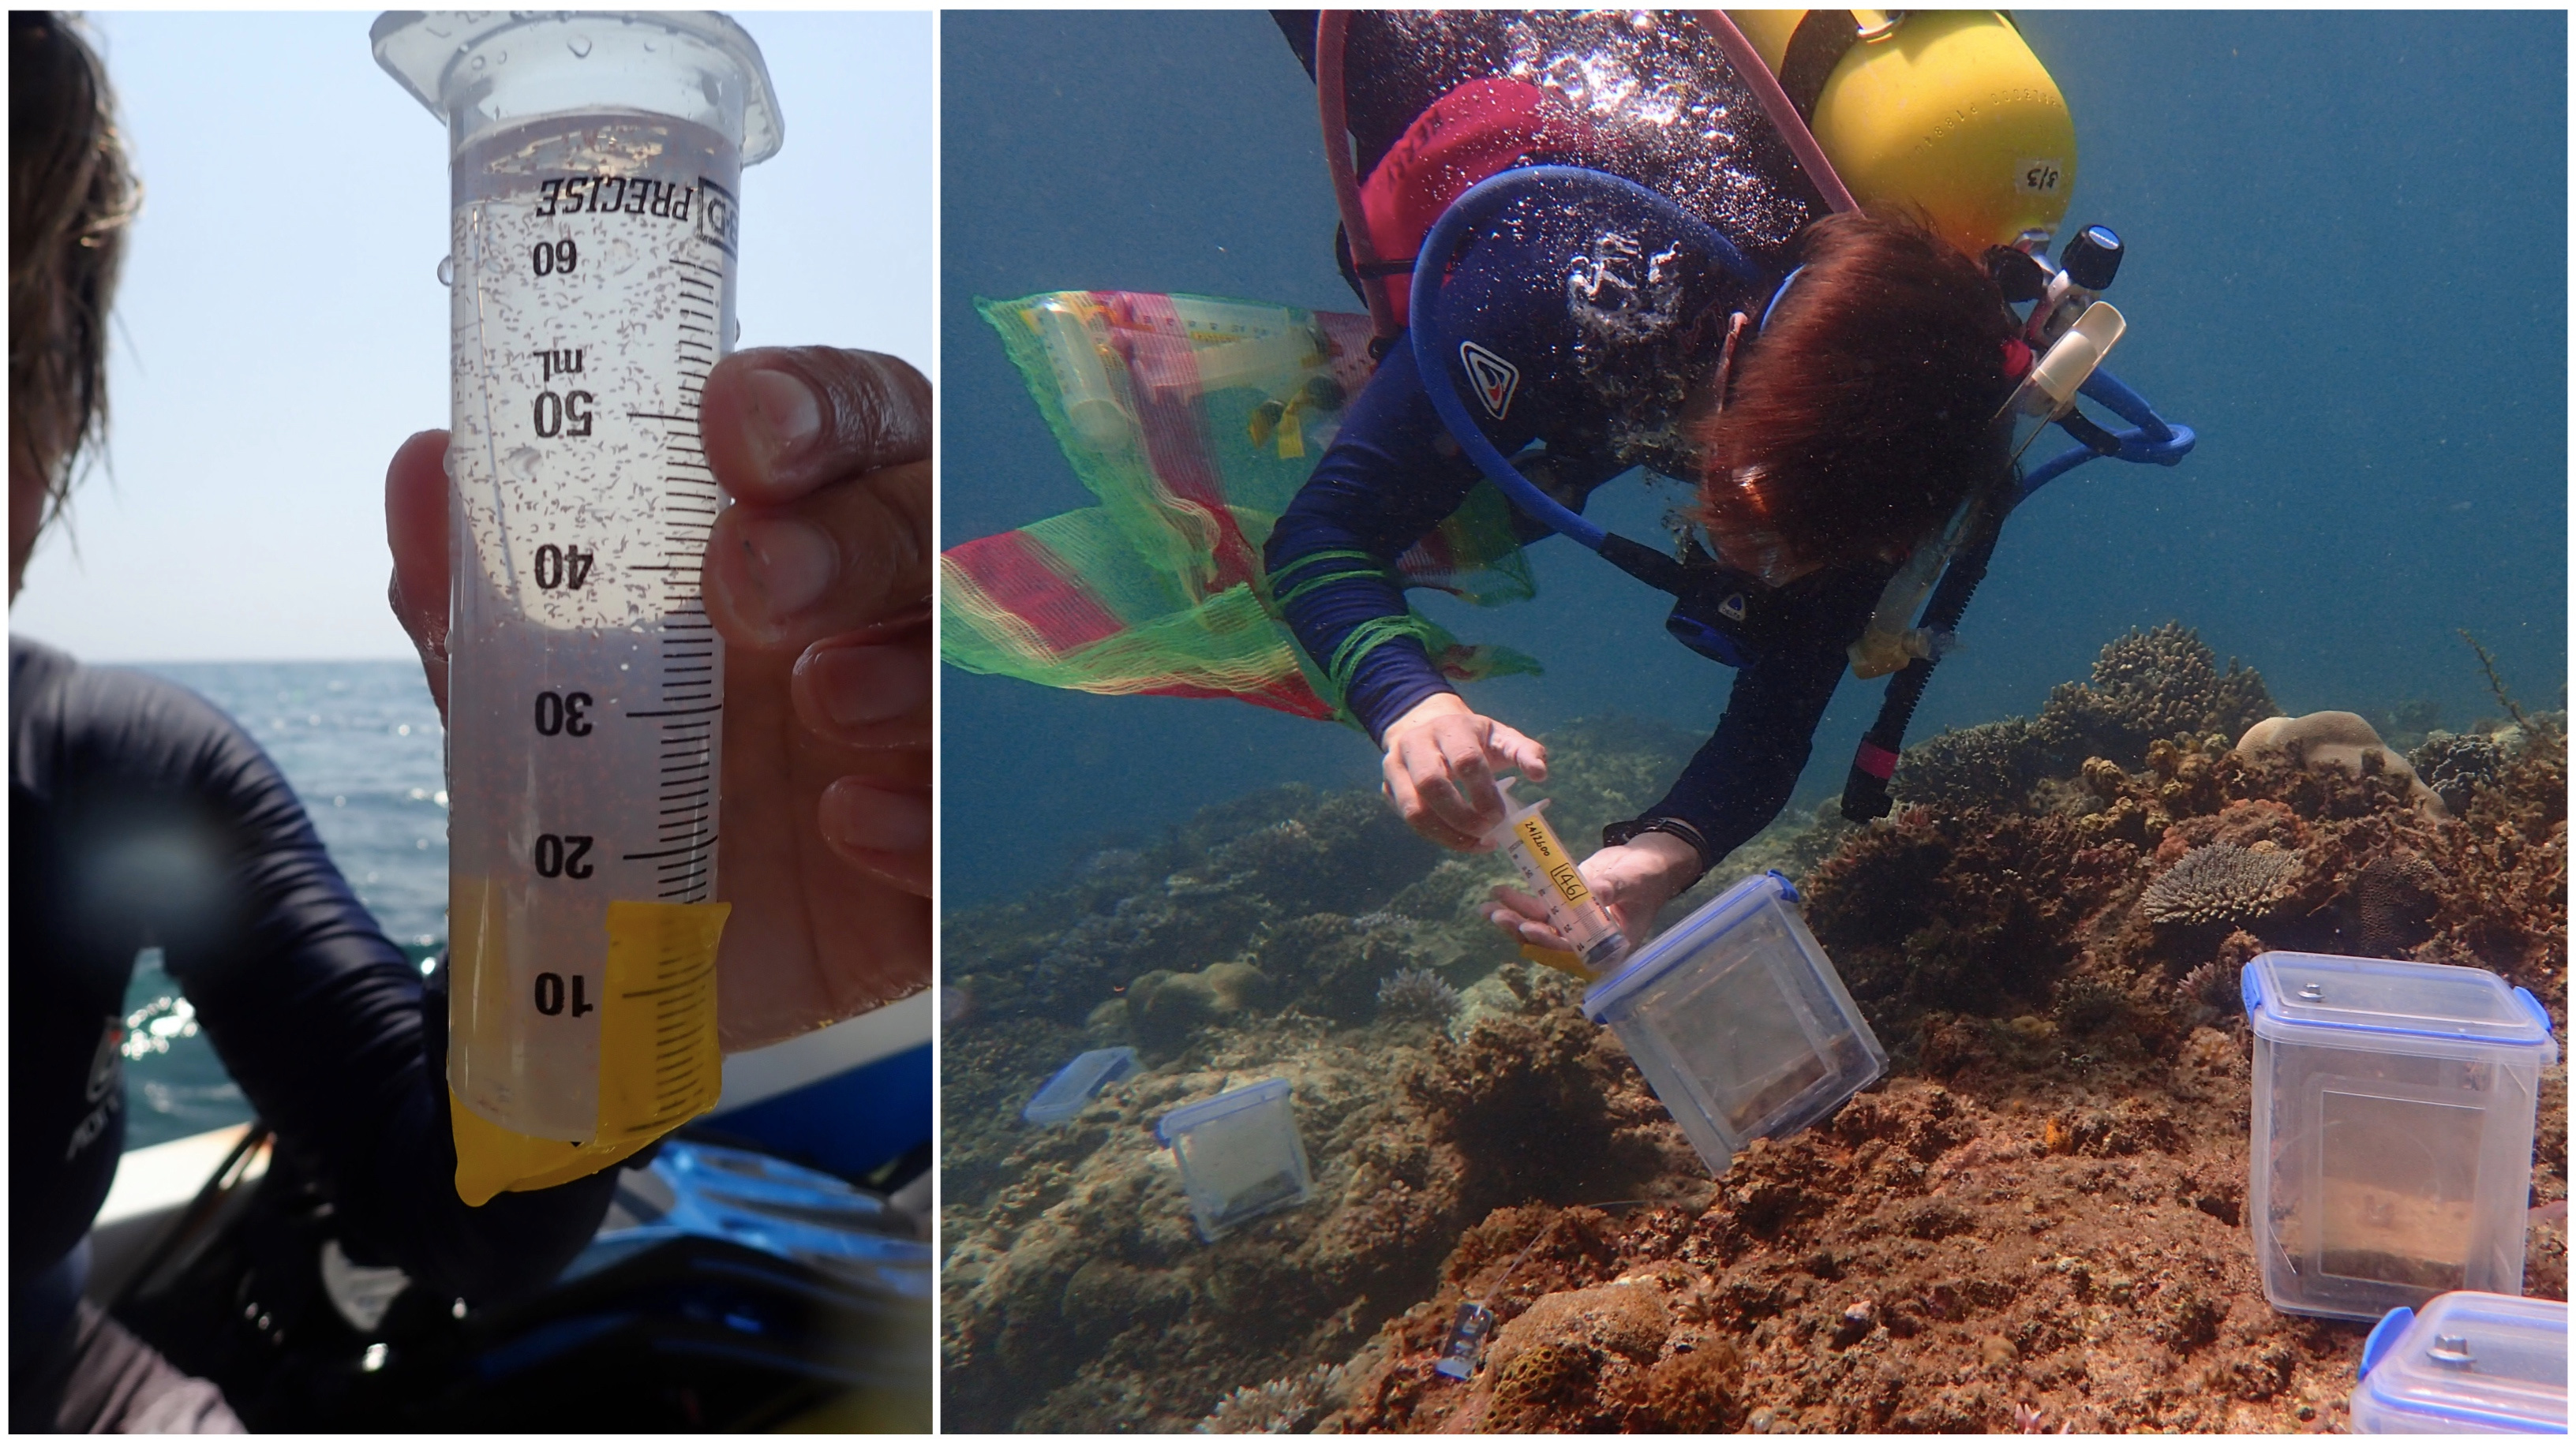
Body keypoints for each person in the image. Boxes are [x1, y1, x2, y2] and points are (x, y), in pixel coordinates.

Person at [9, 13, 930, 1430]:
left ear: (59, 409)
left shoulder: (119, 763)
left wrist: (619, 945)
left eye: (12, 336)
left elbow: (448, 1202)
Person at [1258, 12, 2046, 953]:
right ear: (1733, 353)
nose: (1751, 556)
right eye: (1752, 504)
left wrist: (1663, 855)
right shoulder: (1551, 280)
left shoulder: (1886, 454)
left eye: (1791, 548)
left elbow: (1783, 707)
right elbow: (1320, 537)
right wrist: (1407, 701)